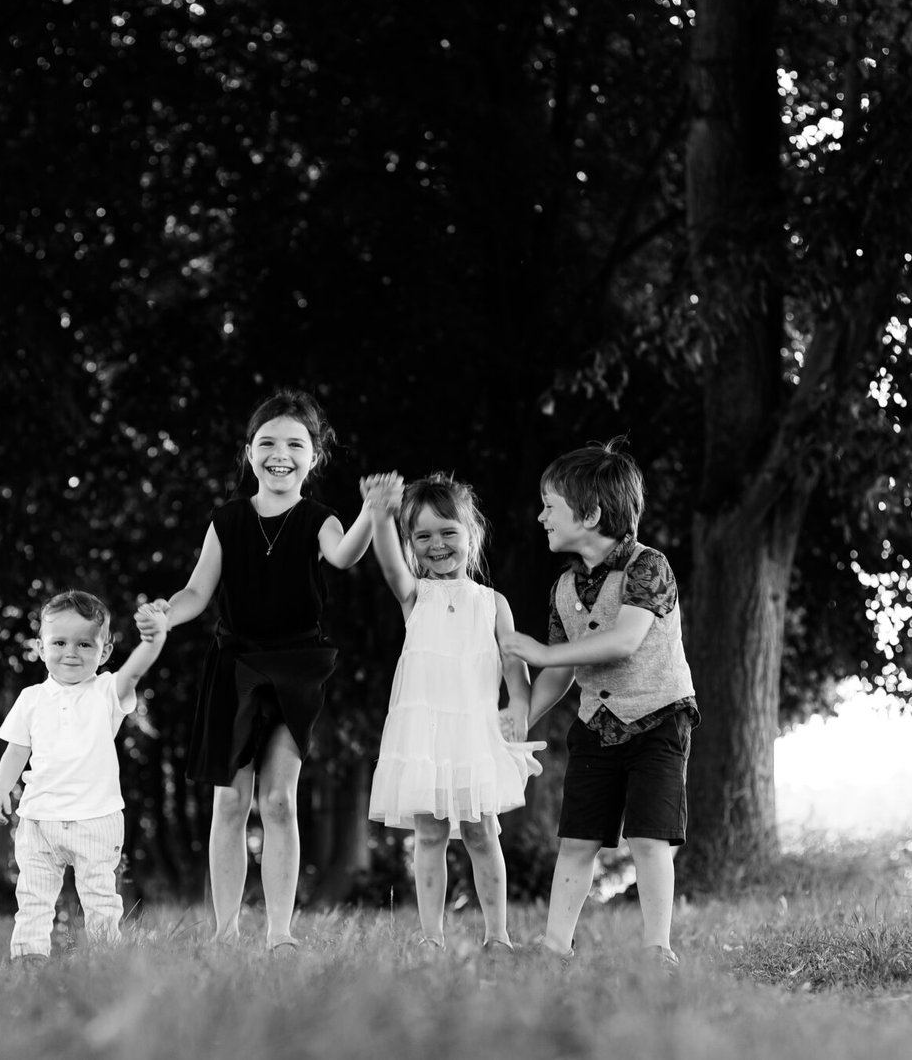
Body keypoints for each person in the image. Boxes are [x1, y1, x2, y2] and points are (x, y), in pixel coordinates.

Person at [137, 389, 375, 950]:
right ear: (249, 452)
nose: (280, 454)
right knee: (230, 800)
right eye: (267, 442)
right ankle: (224, 931)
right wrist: (164, 614)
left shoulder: (321, 519)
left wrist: (373, 512)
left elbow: (344, 557)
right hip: (234, 666)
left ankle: (279, 932)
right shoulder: (226, 521)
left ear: (312, 457)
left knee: (278, 800)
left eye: (295, 444)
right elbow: (197, 590)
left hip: (296, 668)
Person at [499, 441, 698, 972]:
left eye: (549, 505)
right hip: (595, 725)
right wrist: (519, 719)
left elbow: (624, 641)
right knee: (577, 839)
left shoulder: (648, 566)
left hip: (658, 719)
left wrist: (540, 651)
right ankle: (554, 946)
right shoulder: (564, 586)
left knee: (649, 838)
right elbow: (561, 671)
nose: (540, 516)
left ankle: (658, 947)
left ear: (588, 514)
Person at [362, 471, 542, 952]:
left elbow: (512, 662)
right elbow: (388, 564)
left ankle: (498, 935)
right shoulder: (415, 596)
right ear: (410, 543)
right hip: (423, 735)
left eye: (448, 533)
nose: (437, 545)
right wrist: (381, 514)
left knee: (483, 833)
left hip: (473, 734)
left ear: (472, 535)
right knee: (429, 834)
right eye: (422, 536)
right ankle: (431, 936)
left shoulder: (493, 603)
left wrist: (518, 707)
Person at [0, 590, 169, 960]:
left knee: (101, 897)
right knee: (33, 896)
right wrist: (0, 791)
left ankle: (105, 959)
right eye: (59, 642)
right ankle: (29, 958)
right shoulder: (31, 699)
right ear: (40, 647)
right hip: (39, 820)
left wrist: (155, 640)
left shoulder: (106, 692)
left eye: (85, 644)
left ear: (103, 652)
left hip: (97, 819)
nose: (71, 652)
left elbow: (134, 670)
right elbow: (16, 751)